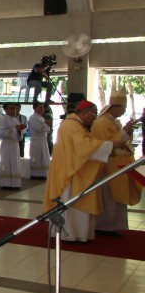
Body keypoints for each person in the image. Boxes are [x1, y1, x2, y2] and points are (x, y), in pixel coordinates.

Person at [43, 101, 115, 244]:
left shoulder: (75, 124)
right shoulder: (72, 125)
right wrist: (110, 145)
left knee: (73, 200)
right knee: (70, 201)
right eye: (93, 115)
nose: (94, 118)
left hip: (72, 168)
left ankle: (76, 233)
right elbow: (83, 147)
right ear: (85, 112)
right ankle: (70, 233)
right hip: (69, 171)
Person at [91, 91, 142, 236]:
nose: (124, 111)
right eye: (123, 108)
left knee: (116, 197)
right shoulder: (102, 122)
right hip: (107, 165)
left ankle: (114, 225)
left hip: (117, 165)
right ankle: (105, 226)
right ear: (115, 107)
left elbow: (122, 141)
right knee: (108, 198)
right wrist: (125, 131)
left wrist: (128, 131)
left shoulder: (114, 121)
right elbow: (107, 145)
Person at [0, 103, 25, 190]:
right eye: (11, 108)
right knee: (7, 162)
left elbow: (19, 132)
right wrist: (15, 129)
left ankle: (15, 183)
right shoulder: (3, 119)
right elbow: (2, 132)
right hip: (7, 144)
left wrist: (20, 130)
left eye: (14, 108)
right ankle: (6, 184)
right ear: (5, 109)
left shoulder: (15, 119)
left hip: (14, 144)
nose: (13, 110)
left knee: (15, 162)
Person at [27, 102, 51, 179]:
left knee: (44, 156)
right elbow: (39, 128)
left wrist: (46, 125)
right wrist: (46, 125)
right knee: (37, 156)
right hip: (36, 141)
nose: (42, 109)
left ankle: (44, 173)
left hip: (43, 140)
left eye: (42, 107)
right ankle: (36, 174)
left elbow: (47, 129)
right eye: (40, 107)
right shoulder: (33, 118)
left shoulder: (41, 118)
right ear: (34, 108)